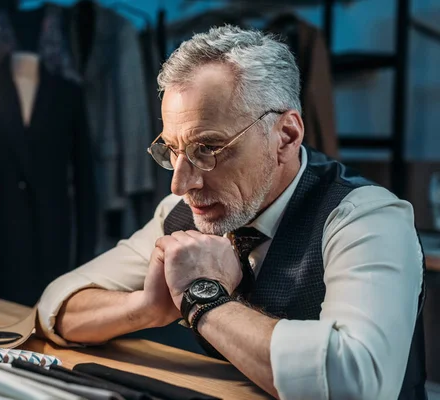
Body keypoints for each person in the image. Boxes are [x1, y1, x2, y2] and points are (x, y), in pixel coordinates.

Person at [37, 26, 425, 400]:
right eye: (171, 149)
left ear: (286, 136)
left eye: (207, 149)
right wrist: (145, 308)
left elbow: (355, 383)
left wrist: (204, 301)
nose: (180, 184)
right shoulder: (180, 212)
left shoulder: (367, 218)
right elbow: (57, 305)